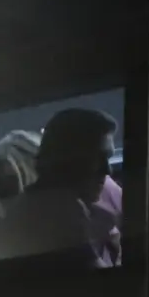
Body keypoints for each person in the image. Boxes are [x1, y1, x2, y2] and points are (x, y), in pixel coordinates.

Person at [30, 107, 122, 267]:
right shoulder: (57, 215)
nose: (108, 170)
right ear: (67, 159)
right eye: (98, 158)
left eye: (108, 158)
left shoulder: (89, 209)